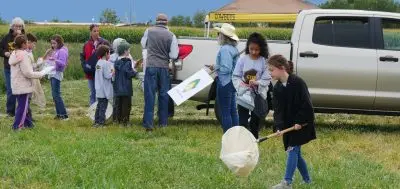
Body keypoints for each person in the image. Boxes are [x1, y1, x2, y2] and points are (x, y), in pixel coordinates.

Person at [268, 55, 316, 189]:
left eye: (271, 70)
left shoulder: (298, 82)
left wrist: (300, 121)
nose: (270, 73)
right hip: (289, 126)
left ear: (281, 68)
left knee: (292, 149)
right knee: (296, 153)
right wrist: (278, 127)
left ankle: (287, 183)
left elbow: (307, 105)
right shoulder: (277, 88)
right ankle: (307, 180)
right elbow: (278, 110)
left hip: (303, 123)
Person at [141, 13, 179, 131]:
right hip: (163, 67)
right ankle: (163, 123)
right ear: (166, 22)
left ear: (156, 21)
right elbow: (174, 55)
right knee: (163, 96)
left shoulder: (149, 31)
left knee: (150, 95)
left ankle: (148, 124)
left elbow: (143, 45)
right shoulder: (171, 35)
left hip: (151, 66)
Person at [232, 32, 271, 139]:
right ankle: (242, 141)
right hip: (243, 94)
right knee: (242, 121)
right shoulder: (242, 59)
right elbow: (235, 76)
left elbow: (267, 77)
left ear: (261, 49)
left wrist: (257, 83)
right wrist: (243, 85)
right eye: (251, 49)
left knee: (255, 121)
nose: (254, 52)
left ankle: (254, 141)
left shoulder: (264, 61)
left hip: (258, 95)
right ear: (247, 47)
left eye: (257, 50)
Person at [8, 35, 51, 130]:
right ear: (23, 44)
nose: (28, 44)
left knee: (24, 106)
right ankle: (17, 126)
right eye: (26, 42)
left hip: (17, 84)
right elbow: (27, 72)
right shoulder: (24, 55)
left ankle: (28, 124)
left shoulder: (14, 53)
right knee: (22, 108)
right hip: (24, 85)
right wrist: (40, 74)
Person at [213, 23, 240, 133]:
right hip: (233, 82)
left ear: (224, 36)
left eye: (219, 34)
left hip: (225, 82)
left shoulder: (224, 49)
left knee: (225, 111)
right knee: (233, 110)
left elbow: (226, 68)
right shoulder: (234, 49)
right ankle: (236, 135)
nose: (218, 35)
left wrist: (215, 67)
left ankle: (228, 135)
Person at [0, 17, 26, 117]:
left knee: (20, 89)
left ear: (22, 27)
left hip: (21, 68)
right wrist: (4, 53)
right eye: (16, 26)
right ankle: (10, 111)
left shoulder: (24, 37)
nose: (18, 28)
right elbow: (0, 48)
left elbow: (28, 49)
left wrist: (20, 37)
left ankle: (21, 110)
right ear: (12, 26)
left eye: (20, 26)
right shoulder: (6, 37)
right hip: (8, 68)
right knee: (10, 89)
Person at [81, 24, 109, 105]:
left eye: (98, 31)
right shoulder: (87, 43)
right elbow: (82, 56)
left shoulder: (104, 42)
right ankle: (92, 110)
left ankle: (101, 110)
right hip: (90, 72)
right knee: (92, 92)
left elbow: (111, 53)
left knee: (100, 92)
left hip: (101, 71)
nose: (96, 33)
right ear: (90, 32)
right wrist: (84, 65)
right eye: (94, 31)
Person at [44, 35, 69, 120]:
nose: (53, 45)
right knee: (54, 95)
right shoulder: (56, 51)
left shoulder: (62, 51)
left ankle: (64, 114)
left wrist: (54, 60)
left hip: (57, 74)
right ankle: (59, 114)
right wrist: (49, 57)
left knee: (57, 95)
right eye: (52, 43)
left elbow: (63, 63)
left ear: (59, 42)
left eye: (54, 43)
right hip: (52, 73)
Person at [113, 41, 137, 126]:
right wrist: (135, 72)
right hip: (126, 87)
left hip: (118, 87)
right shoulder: (127, 61)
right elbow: (128, 72)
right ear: (125, 51)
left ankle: (118, 120)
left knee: (119, 104)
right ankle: (125, 121)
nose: (129, 51)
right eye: (128, 50)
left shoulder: (116, 61)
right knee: (126, 106)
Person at [93, 45, 113, 127]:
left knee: (99, 106)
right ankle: (101, 122)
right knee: (103, 107)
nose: (110, 55)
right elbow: (107, 76)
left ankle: (96, 121)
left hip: (98, 87)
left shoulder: (98, 62)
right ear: (106, 53)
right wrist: (113, 72)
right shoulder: (106, 63)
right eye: (109, 53)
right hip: (104, 89)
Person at [26, 33, 46, 112]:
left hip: (31, 77)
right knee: (27, 98)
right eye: (34, 43)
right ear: (29, 42)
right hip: (26, 80)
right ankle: (26, 117)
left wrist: (37, 66)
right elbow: (27, 68)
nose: (35, 46)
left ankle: (28, 116)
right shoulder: (25, 53)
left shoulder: (30, 52)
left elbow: (30, 65)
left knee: (29, 97)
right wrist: (36, 66)